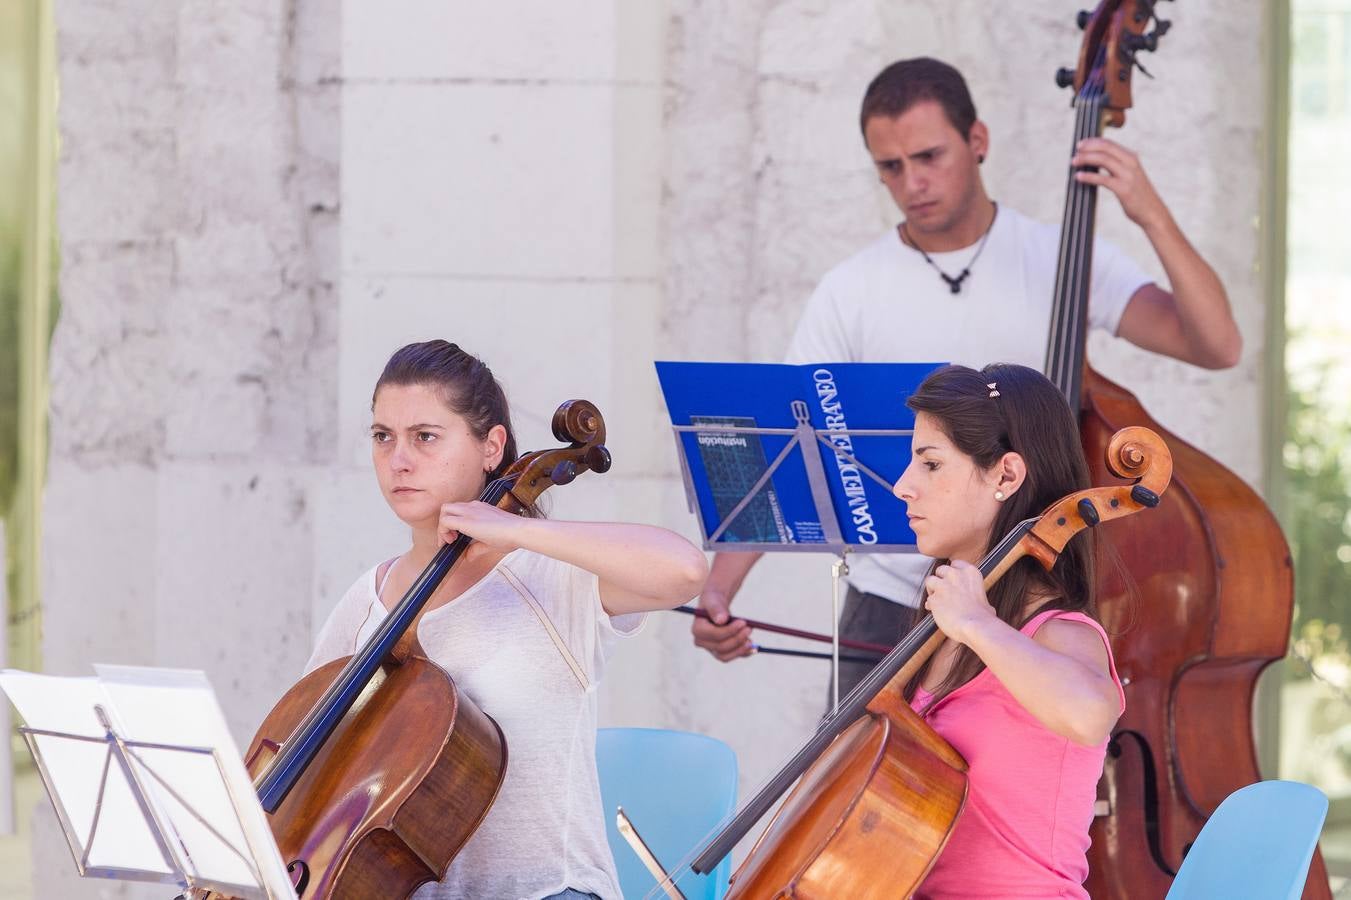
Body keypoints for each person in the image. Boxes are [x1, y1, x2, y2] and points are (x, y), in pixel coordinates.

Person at [691, 57, 1240, 698]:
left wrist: (1150, 214)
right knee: (846, 795)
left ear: (977, 141)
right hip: (893, 603)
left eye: (929, 156)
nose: (913, 182)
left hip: (1035, 601)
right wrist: (718, 593)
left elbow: (1216, 344)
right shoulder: (849, 290)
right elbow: (791, 454)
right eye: (890, 168)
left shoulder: (1058, 257)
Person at [305, 340, 709, 900]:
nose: (399, 459)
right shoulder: (368, 600)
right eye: (383, 437)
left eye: (425, 437)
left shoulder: (549, 577)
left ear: (492, 445)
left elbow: (684, 570)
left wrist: (517, 531)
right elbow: (304, 755)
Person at [897, 362, 1122, 898]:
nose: (904, 486)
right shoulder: (942, 631)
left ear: (1006, 475)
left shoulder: (1060, 633)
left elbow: (1091, 715)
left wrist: (979, 624)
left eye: (931, 464)